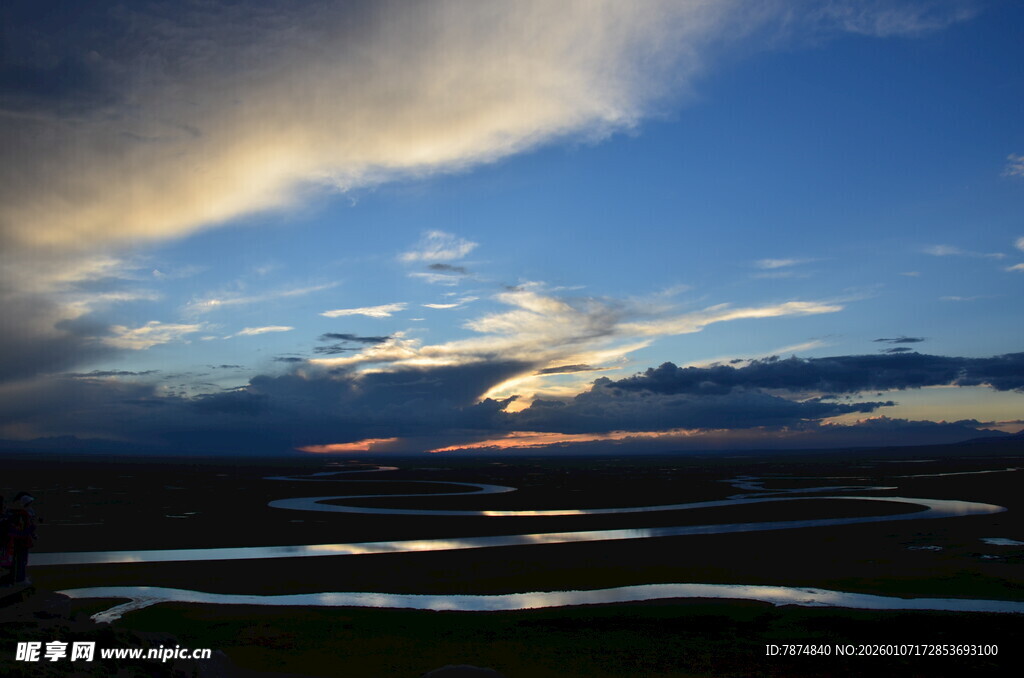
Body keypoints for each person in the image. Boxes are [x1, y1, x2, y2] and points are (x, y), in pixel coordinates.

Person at [6, 492, 37, 584]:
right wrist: (32, 530)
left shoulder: (17, 513)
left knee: (18, 561)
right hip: (21, 541)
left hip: (19, 540)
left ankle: (17, 578)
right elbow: (26, 527)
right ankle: (20, 579)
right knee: (20, 561)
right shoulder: (22, 514)